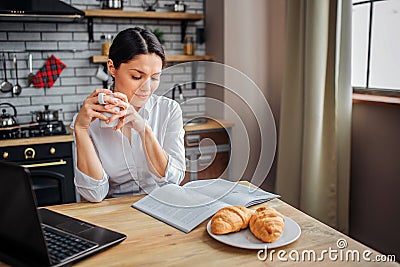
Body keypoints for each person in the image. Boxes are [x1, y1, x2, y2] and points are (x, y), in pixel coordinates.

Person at [71, 27, 186, 202]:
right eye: (136, 77)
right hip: (114, 213)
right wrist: (80, 129)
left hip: (161, 207)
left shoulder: (169, 111)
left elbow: (173, 180)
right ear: (112, 67)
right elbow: (94, 195)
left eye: (154, 78)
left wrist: (144, 130)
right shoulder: (89, 119)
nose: (147, 88)